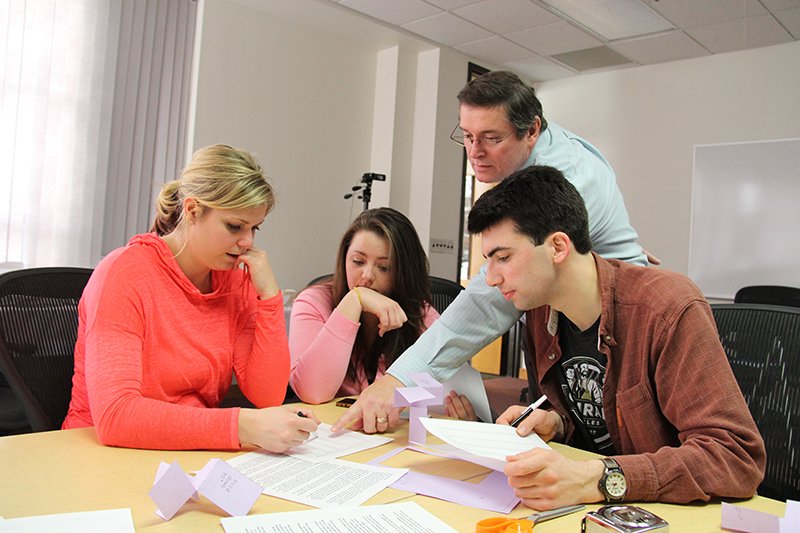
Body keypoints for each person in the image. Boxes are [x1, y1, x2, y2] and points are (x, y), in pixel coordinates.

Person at [333, 70, 649, 433]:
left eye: (490, 138)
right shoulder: (539, 155)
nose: (474, 151)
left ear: (531, 130)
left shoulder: (568, 178)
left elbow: (487, 302)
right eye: (466, 136)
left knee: (624, 430)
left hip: (612, 324)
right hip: (564, 322)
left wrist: (399, 379)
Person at [466, 164, 765, 507]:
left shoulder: (666, 307)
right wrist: (557, 423)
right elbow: (596, 419)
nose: (491, 278)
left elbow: (734, 457)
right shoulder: (539, 311)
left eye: (502, 258)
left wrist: (596, 478)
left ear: (558, 247)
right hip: (586, 510)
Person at [62, 144, 319, 451]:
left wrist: (269, 297)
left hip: (185, 451)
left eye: (254, 228)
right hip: (97, 454)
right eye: (235, 226)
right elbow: (117, 416)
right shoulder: (123, 273)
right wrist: (241, 426)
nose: (247, 242)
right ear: (193, 209)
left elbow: (267, 395)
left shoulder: (236, 280)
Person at [289, 208, 439, 411]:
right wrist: (354, 301)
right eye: (358, 261)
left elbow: (439, 392)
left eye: (384, 267)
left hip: (395, 433)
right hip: (331, 432)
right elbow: (313, 391)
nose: (367, 275)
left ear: (403, 272)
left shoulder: (421, 314)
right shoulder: (313, 302)